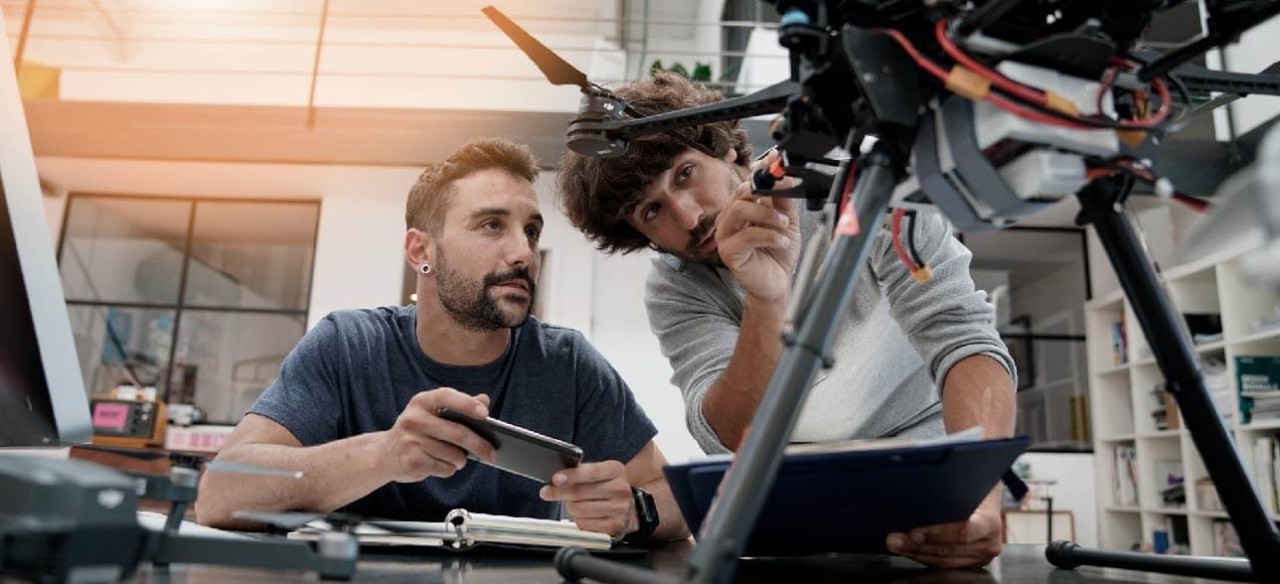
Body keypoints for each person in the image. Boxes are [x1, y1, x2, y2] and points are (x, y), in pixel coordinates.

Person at [557, 73, 1016, 567]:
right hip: (792, 484)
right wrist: (767, 298)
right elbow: (728, 434)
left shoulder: (863, 188)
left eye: (686, 174)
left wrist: (979, 497)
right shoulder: (676, 285)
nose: (688, 217)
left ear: (729, 151)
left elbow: (964, 338)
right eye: (652, 211)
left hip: (924, 464)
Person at [197, 138, 689, 545]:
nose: (523, 252)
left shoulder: (567, 363)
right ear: (421, 250)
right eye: (492, 225)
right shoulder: (348, 345)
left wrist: (634, 511)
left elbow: (674, 502)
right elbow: (219, 494)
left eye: (531, 230)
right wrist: (383, 455)